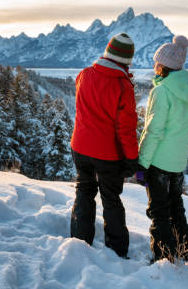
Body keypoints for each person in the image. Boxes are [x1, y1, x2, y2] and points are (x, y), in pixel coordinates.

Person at [70, 32, 139, 258]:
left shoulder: (84, 74)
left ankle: (79, 242)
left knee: (84, 192)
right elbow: (126, 129)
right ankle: (117, 251)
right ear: (126, 60)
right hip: (107, 154)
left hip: (80, 147)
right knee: (111, 199)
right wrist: (131, 159)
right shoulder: (122, 86)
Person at [137, 35, 188, 263]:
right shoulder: (187, 89)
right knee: (176, 207)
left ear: (164, 66)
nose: (154, 66)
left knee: (159, 211)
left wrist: (142, 162)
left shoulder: (161, 92)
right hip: (178, 161)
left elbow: (154, 131)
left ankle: (165, 257)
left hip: (159, 161)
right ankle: (185, 250)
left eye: (156, 63)